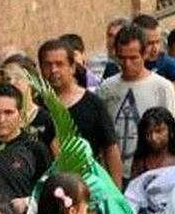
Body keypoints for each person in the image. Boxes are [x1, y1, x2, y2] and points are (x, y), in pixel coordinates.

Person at [97, 24, 175, 182]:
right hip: (115, 172)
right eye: (122, 58)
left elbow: (170, 133)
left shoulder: (162, 87)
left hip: (150, 171)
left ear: (145, 54)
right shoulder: (107, 88)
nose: (127, 64)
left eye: (133, 58)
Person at [38, 38, 123, 186]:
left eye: (59, 64)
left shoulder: (93, 103)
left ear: (72, 67)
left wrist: (116, 194)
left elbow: (110, 149)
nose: (53, 70)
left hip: (87, 186)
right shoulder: (36, 106)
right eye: (48, 65)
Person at [0, 83, 53, 214]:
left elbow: (48, 192)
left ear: (20, 114)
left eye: (8, 112)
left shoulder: (35, 149)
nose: (2, 119)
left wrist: (27, 202)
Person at [131, 14, 175, 98]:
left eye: (157, 42)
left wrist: (155, 93)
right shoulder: (123, 61)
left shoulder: (163, 61)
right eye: (149, 43)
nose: (155, 48)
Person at [130, 107, 175, 181]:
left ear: (171, 131)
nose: (153, 138)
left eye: (158, 131)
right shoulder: (140, 162)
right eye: (148, 133)